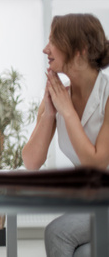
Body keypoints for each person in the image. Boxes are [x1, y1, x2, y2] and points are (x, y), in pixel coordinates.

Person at [22, 13, 109, 257]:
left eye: (53, 41)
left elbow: (96, 163)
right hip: (96, 202)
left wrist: (67, 112)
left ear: (80, 49)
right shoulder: (59, 95)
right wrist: (50, 113)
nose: (45, 49)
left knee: (57, 232)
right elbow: (31, 162)